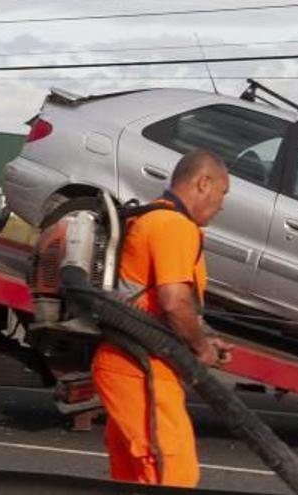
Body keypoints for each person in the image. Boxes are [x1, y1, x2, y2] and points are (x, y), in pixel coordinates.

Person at [92, 149, 232, 487]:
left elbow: (160, 302)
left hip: (126, 364)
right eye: (222, 193)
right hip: (141, 369)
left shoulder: (152, 218)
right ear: (203, 183)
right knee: (173, 475)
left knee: (135, 478)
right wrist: (201, 349)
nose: (223, 204)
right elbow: (173, 301)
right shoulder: (174, 226)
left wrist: (203, 335)